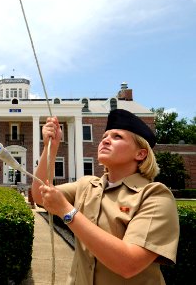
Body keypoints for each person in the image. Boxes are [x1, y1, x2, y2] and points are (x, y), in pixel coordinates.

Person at [31, 109, 179, 284]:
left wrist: (67, 211)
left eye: (117, 137)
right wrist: (50, 147)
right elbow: (40, 195)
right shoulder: (86, 185)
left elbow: (129, 264)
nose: (105, 140)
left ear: (140, 153)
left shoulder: (154, 196)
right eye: (104, 136)